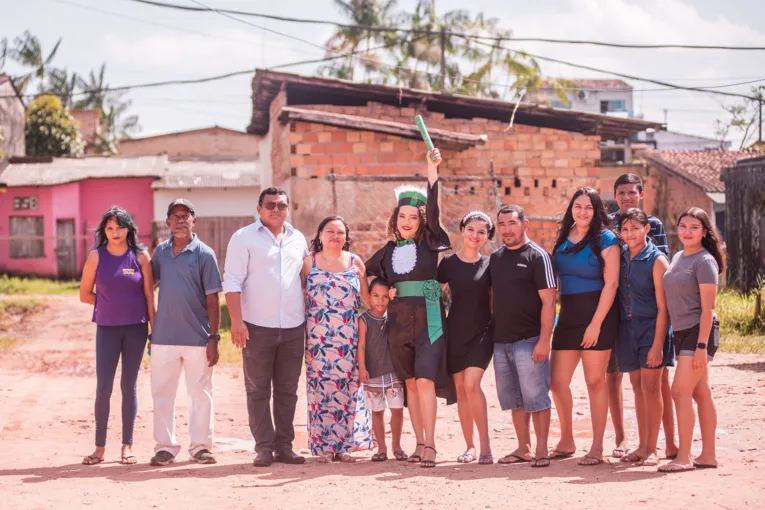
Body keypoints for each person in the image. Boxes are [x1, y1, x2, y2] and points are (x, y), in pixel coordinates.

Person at [366, 148, 452, 468]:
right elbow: (369, 272)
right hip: (399, 323)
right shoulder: (387, 252)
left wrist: (431, 171)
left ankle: (431, 444)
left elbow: (433, 204)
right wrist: (380, 293)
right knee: (412, 383)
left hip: (430, 319)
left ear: (421, 221)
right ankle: (417, 443)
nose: (407, 222)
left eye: (413, 217)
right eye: (402, 216)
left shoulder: (429, 243)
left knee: (426, 379)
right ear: (395, 218)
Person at [224, 188, 308, 468]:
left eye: (281, 205)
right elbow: (232, 281)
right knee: (258, 390)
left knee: (288, 391)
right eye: (270, 205)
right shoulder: (243, 238)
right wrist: (237, 322)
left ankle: (284, 446)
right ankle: (263, 447)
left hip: (294, 327)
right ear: (259, 208)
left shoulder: (298, 239)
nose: (276, 209)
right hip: (257, 328)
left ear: (288, 208)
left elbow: (307, 280)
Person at [607, 173, 677, 460]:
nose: (626, 197)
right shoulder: (611, 226)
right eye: (621, 192)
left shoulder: (654, 234)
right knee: (637, 385)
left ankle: (666, 443)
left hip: (650, 317)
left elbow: (661, 280)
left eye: (631, 192)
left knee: (657, 383)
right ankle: (642, 442)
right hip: (625, 317)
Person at [550, 187, 620, 466]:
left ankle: (597, 447)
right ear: (571, 209)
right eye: (577, 206)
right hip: (566, 317)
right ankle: (566, 439)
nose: (582, 212)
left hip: (597, 316)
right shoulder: (564, 237)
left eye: (588, 207)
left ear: (596, 210)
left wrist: (595, 325)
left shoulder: (606, 238)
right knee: (557, 383)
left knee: (594, 382)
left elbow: (612, 283)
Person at [79, 206, 154, 465]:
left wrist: (154, 330)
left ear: (129, 229)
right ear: (104, 231)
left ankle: (127, 446)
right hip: (107, 329)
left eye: (119, 227)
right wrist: (108, 306)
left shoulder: (141, 256)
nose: (115, 232)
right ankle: (99, 448)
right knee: (103, 387)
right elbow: (84, 294)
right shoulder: (96, 256)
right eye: (109, 228)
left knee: (128, 386)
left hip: (136, 329)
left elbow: (148, 295)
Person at [149, 199, 222, 466]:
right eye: (175, 216)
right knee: (162, 392)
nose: (180, 220)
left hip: (198, 338)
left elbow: (213, 299)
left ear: (194, 221)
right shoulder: (160, 253)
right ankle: (165, 447)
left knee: (200, 393)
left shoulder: (205, 254)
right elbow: (148, 286)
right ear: (168, 222)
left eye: (186, 216)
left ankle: (201, 446)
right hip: (163, 338)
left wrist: (214, 338)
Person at [301, 216, 374, 462]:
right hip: (317, 340)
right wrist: (302, 341)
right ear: (320, 235)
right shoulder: (308, 263)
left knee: (347, 391)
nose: (335, 236)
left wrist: (392, 297)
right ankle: (323, 448)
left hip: (348, 339)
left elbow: (368, 302)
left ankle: (343, 447)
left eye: (340, 232)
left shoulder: (355, 262)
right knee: (320, 393)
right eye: (330, 231)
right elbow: (299, 302)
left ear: (346, 236)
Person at [490, 205, 557, 468]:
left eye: (512, 223)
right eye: (502, 224)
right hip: (501, 340)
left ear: (525, 224)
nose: (506, 229)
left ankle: (542, 448)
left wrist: (544, 340)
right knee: (514, 398)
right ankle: (522, 447)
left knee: (536, 396)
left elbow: (550, 302)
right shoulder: (495, 258)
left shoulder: (538, 256)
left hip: (530, 340)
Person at [659, 207, 724, 473]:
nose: (687, 231)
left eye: (694, 227)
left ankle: (683, 457)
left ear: (705, 231)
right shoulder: (677, 256)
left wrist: (700, 346)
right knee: (700, 392)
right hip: (682, 331)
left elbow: (708, 309)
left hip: (699, 332)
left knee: (679, 392)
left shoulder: (704, 261)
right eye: (683, 226)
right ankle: (708, 455)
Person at [438, 211, 495, 464]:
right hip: (455, 332)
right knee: (461, 389)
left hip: (483, 332)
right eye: (471, 229)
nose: (475, 235)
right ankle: (469, 446)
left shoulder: (491, 265)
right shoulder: (447, 263)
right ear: (462, 230)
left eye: (481, 232)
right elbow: (433, 297)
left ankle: (485, 447)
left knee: (472, 384)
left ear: (487, 237)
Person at [358, 277, 407, 462]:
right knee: (377, 412)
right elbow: (361, 345)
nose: (380, 300)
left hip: (394, 372)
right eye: (376, 296)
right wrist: (362, 368)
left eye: (385, 296)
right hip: (373, 374)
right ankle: (382, 448)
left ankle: (397, 446)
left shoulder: (394, 316)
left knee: (397, 410)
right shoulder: (364, 320)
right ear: (368, 297)